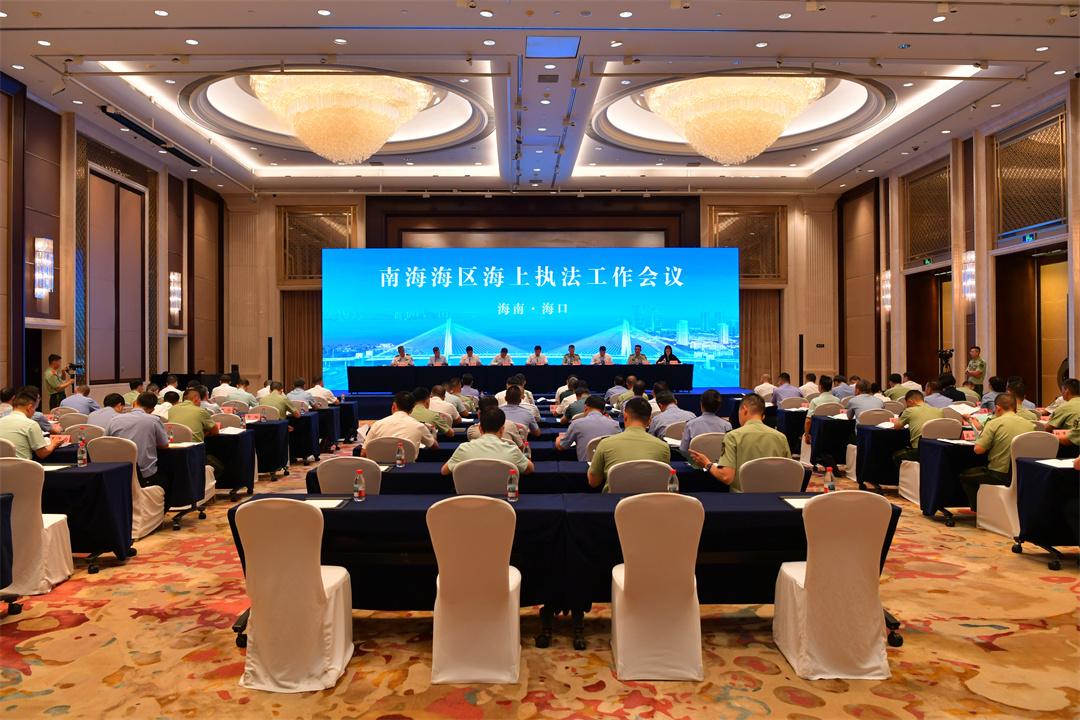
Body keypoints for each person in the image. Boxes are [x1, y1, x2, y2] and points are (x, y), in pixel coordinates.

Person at [690, 394, 790, 492]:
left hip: (743, 498)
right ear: (762, 416)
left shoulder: (733, 436)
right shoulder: (781, 437)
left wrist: (707, 464)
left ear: (744, 410)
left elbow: (726, 477)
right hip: (774, 497)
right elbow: (789, 471)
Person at [959, 393, 1035, 510]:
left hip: (999, 474)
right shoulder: (1030, 425)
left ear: (998, 408)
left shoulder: (994, 423)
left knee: (965, 475)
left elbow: (978, 450)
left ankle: (980, 510)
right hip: (1023, 473)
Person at [587, 397, 670, 491]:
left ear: (625, 416)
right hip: (649, 499)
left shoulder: (605, 444)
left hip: (614, 500)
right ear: (650, 420)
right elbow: (664, 480)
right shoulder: (663, 447)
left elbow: (593, 482)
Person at [441, 407, 533, 476]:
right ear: (502, 430)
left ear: (480, 429)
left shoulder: (463, 449)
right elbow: (530, 469)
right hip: (503, 496)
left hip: (469, 495)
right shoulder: (512, 450)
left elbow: (444, 471)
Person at [106, 392, 170, 484]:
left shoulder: (114, 420)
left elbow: (104, 442)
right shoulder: (154, 420)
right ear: (152, 409)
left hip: (119, 472)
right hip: (145, 474)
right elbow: (164, 445)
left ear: (135, 403)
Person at [362, 391, 437, 453]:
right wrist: (433, 433)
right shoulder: (419, 426)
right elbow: (434, 446)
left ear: (394, 406)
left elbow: (364, 453)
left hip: (381, 466)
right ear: (412, 410)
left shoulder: (377, 424)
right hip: (408, 466)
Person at [0, 391, 63, 460]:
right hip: (22, 465)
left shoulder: (1, 421)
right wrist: (54, 443)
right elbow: (42, 453)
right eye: (34, 409)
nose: (34, 412)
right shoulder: (31, 424)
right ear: (29, 407)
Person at [557, 395, 621, 462]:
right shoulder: (615, 424)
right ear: (603, 410)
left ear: (585, 408)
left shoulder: (576, 423)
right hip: (609, 465)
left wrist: (558, 439)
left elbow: (561, 446)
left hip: (586, 466)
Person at [891, 389, 945, 467]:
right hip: (938, 449)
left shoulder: (909, 411)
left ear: (910, 401)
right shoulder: (939, 411)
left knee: (896, 456)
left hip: (919, 450)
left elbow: (897, 427)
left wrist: (897, 420)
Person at [679, 389, 733, 453]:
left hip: (695, 459)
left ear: (701, 404)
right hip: (719, 459)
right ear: (719, 406)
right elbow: (729, 449)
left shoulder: (690, 425)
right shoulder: (727, 425)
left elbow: (683, 450)